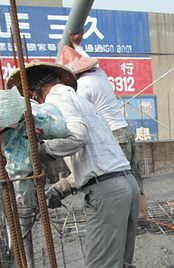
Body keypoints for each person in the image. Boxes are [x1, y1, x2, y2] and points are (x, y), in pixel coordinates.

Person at [6, 61, 140, 268]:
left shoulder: (57, 100)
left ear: (35, 90)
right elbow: (97, 157)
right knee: (122, 261)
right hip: (125, 184)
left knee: (100, 267)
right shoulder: (82, 103)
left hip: (107, 192)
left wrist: (39, 153)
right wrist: (62, 187)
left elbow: (78, 137)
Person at [56, 31, 148, 223]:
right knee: (133, 176)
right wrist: (77, 45)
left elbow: (76, 114)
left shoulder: (82, 86)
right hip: (124, 131)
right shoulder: (99, 73)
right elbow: (87, 59)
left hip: (111, 136)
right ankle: (141, 216)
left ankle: (124, 221)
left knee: (115, 180)